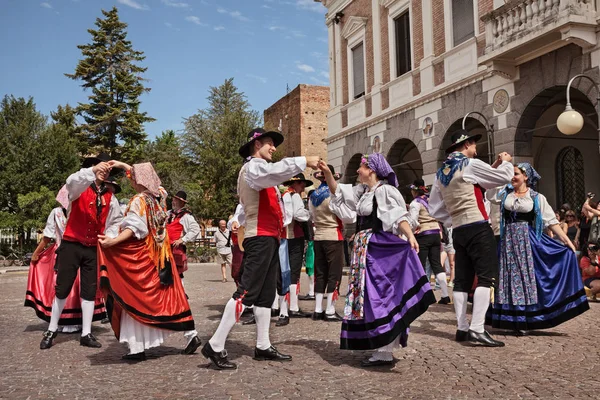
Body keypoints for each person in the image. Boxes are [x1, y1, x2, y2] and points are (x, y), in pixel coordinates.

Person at [201, 128, 319, 369]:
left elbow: (258, 208)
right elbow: (272, 175)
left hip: (269, 238)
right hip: (260, 238)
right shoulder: (254, 168)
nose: (273, 148)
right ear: (256, 145)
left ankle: (263, 345)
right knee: (246, 293)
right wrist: (303, 161)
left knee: (266, 296)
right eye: (269, 144)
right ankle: (215, 343)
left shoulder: (260, 171)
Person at [323, 154, 436, 367]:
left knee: (381, 294)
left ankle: (385, 348)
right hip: (366, 249)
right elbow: (338, 191)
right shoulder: (363, 192)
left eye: (361, 167)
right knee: (367, 296)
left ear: (372, 170)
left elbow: (396, 216)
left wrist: (410, 236)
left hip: (378, 249)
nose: (357, 171)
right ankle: (378, 342)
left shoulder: (384, 191)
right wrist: (328, 174)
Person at [98, 161, 201, 361]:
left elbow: (134, 228)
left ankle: (136, 348)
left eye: (133, 177)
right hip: (163, 255)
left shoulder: (139, 200)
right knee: (172, 295)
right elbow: (150, 180)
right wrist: (124, 166)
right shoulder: (159, 196)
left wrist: (113, 242)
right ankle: (191, 335)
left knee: (134, 296)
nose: (131, 180)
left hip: (144, 256)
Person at [429, 130, 513, 347]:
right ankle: (477, 328)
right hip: (477, 226)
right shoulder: (469, 164)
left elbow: (435, 209)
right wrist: (505, 162)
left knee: (462, 280)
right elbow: (504, 178)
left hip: (458, 230)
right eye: (474, 145)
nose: (476, 149)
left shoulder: (441, 173)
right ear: (467, 144)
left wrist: (454, 217)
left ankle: (462, 328)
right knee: (487, 277)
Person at [485, 163, 589, 334]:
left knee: (527, 278)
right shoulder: (505, 193)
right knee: (509, 278)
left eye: (516, 174)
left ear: (526, 176)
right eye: (512, 174)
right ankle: (512, 320)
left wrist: (567, 242)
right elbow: (489, 193)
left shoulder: (536, 197)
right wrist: (497, 167)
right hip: (508, 242)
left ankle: (526, 319)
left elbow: (551, 222)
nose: (513, 177)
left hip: (527, 241)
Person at [39, 154, 123, 350]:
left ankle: (86, 332)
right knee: (62, 288)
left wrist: (109, 236)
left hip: (93, 248)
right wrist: (93, 170)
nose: (104, 172)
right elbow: (71, 181)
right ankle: (52, 329)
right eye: (101, 168)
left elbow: (115, 221)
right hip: (71, 244)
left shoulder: (111, 197)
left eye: (106, 170)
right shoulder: (79, 187)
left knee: (89, 291)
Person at [26, 186, 106, 333]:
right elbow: (47, 236)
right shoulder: (78, 211)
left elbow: (47, 237)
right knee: (74, 288)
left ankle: (66, 323)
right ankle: (75, 322)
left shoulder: (59, 212)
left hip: (64, 252)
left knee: (69, 288)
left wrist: (36, 253)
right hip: (73, 252)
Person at [308, 165, 346, 321]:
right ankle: (330, 309)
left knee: (321, 272)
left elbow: (311, 217)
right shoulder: (333, 195)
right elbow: (342, 214)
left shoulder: (313, 196)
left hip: (319, 236)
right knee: (334, 273)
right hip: (333, 235)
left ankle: (318, 309)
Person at [409, 179, 451, 305]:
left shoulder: (415, 203)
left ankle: (422, 296)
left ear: (414, 190)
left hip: (423, 235)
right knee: (437, 265)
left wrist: (409, 232)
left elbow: (413, 221)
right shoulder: (430, 201)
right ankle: (445, 295)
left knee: (420, 265)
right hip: (435, 234)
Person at [279, 173, 313, 322]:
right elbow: (299, 215)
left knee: (285, 271)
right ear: (297, 183)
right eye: (302, 183)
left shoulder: (284, 195)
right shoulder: (295, 196)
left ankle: (285, 306)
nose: (303, 186)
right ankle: (292, 307)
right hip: (294, 236)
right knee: (293, 272)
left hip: (284, 236)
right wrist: (310, 214)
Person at [166, 191, 200, 288]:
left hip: (176, 248)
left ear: (182, 203)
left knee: (178, 273)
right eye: (173, 199)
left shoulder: (186, 216)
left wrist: (182, 239)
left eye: (176, 200)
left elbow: (195, 229)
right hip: (165, 248)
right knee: (166, 273)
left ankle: (180, 295)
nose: (173, 202)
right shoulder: (168, 214)